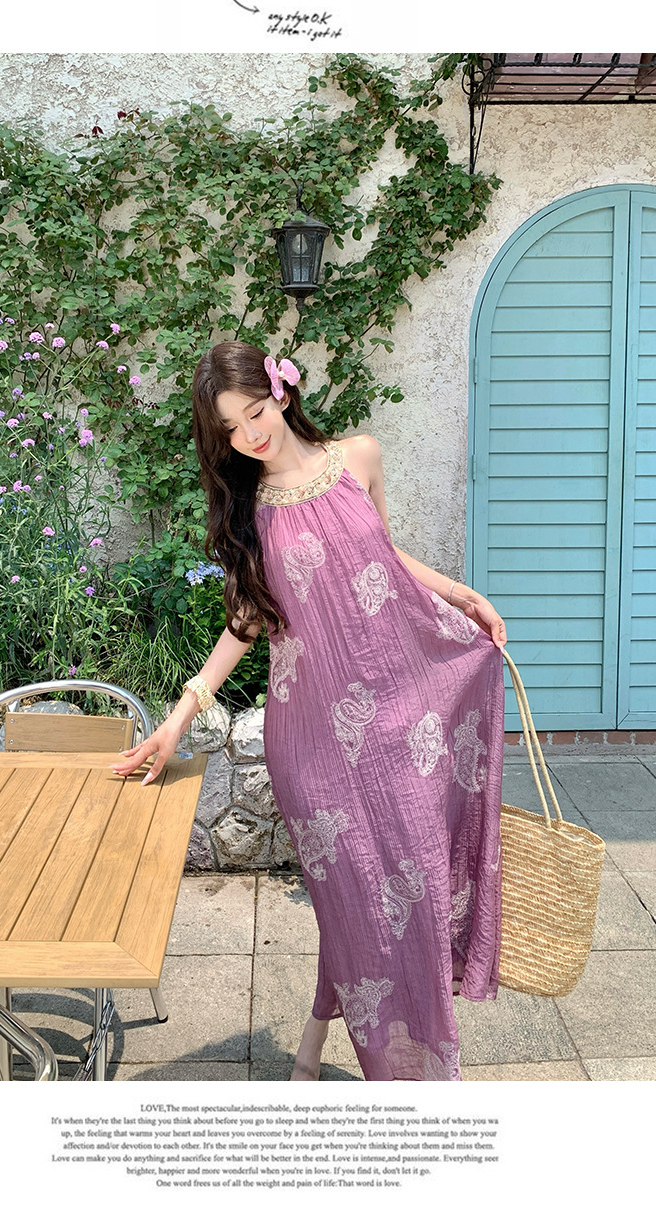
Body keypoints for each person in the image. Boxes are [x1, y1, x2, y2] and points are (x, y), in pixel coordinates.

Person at [112, 340, 507, 1082]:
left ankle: (325, 1050)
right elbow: (244, 625)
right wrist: (177, 719)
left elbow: (386, 557)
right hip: (312, 740)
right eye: (231, 428)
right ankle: (397, 1074)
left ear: (282, 393)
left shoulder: (359, 456)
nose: (249, 434)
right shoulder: (249, 511)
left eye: (255, 412)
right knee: (350, 895)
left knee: (403, 891)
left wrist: (462, 596)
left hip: (395, 718)